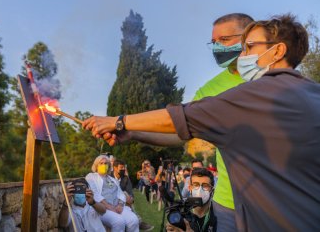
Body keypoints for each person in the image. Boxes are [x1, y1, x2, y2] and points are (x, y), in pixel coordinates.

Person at [83, 14, 320, 230]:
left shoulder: (254, 93)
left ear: (277, 51)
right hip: (261, 203)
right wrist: (134, 132)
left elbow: (180, 117)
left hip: (268, 212)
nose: (243, 54)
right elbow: (183, 129)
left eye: (248, 45)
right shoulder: (311, 92)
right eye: (214, 42)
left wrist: (119, 121)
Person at [190, 12, 254, 231]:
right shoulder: (208, 91)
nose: (218, 47)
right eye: (214, 42)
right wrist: (128, 128)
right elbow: (178, 128)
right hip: (227, 203)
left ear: (249, 38)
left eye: (224, 40)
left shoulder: (275, 78)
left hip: (273, 204)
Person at [86, 155, 139, 232]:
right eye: (101, 163)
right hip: (102, 209)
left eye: (106, 163)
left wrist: (120, 205)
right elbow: (95, 194)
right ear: (96, 165)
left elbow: (120, 194)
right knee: (119, 222)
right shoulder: (91, 177)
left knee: (133, 220)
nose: (104, 165)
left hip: (117, 207)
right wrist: (109, 207)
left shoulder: (112, 179)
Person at [166, 168, 217, 232]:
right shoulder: (181, 213)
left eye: (205, 186)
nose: (200, 190)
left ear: (212, 191)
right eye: (196, 185)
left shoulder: (218, 215)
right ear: (190, 188)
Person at [113, 159, 154, 231]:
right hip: (113, 200)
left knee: (127, 196)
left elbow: (130, 191)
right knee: (124, 194)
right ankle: (139, 221)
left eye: (124, 168)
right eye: (121, 168)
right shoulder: (109, 177)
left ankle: (137, 221)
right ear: (115, 168)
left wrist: (131, 198)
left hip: (124, 202)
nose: (123, 169)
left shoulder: (125, 178)